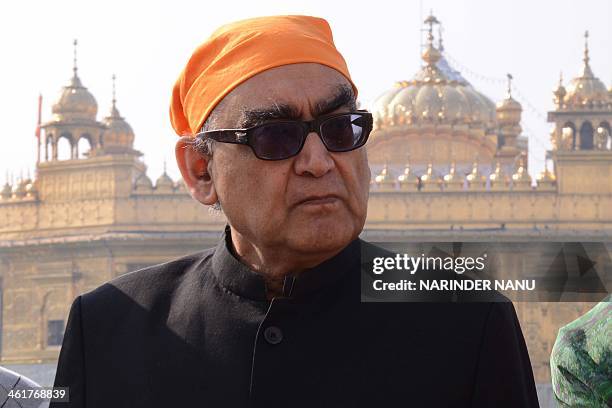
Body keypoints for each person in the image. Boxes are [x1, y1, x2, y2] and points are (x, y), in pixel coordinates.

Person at [51, 15, 539, 407]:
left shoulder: (465, 323)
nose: (319, 162)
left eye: (341, 129)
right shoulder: (111, 328)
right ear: (201, 170)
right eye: (276, 136)